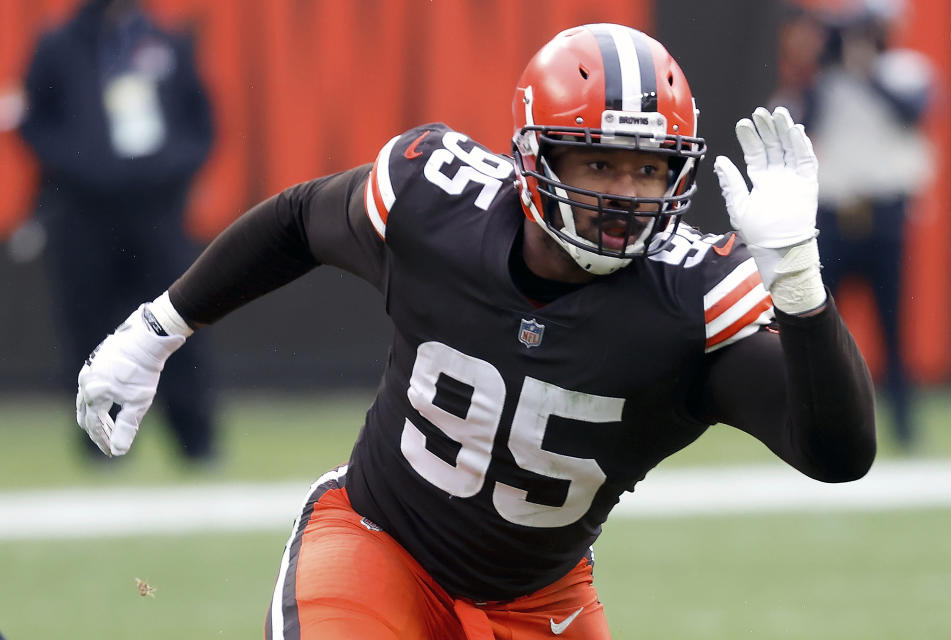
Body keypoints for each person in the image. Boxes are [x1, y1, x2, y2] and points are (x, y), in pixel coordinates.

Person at [75, 24, 876, 639]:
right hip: (377, 542)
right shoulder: (437, 203)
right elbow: (295, 222)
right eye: (596, 162)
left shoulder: (689, 298)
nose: (625, 192)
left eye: (649, 168)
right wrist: (156, 329)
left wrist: (800, 287)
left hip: (542, 594)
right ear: (534, 159)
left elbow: (837, 455)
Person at [19, 0, 218, 462]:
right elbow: (34, 121)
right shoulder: (58, 46)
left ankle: (195, 441)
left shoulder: (163, 40)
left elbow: (201, 122)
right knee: (89, 327)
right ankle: (100, 446)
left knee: (179, 320)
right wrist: (83, 166)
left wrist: (168, 169)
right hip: (84, 213)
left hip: (156, 212)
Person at [801, 1, 933, 450]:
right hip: (835, 214)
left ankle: (904, 429)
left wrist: (866, 69)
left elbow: (912, 111)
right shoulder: (828, 78)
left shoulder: (904, 69)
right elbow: (805, 120)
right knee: (820, 325)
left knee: (893, 327)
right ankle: (815, 422)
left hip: (885, 215)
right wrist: (830, 60)